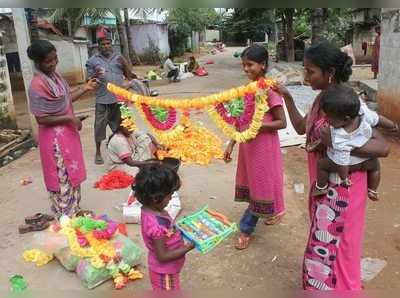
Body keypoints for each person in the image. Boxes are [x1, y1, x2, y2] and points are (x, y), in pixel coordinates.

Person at [272, 42, 391, 290]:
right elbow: (301, 128)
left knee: (341, 248)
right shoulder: (321, 100)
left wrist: (338, 143)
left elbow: (383, 147)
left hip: (346, 190)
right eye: (305, 70)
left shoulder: (350, 102)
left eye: (311, 71)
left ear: (330, 73)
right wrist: (288, 98)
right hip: (325, 188)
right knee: (324, 246)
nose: (306, 77)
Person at [223, 44, 287, 250]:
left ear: (263, 65)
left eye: (249, 65)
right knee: (256, 183)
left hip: (264, 149)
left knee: (262, 185)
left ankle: (246, 228)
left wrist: (259, 126)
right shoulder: (247, 90)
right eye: (243, 65)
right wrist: (231, 143)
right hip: (248, 148)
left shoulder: (270, 89)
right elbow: (240, 119)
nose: (246, 69)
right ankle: (275, 210)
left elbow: (281, 122)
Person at [27, 40, 98, 218]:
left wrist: (85, 88)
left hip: (68, 135)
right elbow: (41, 118)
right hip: (53, 140)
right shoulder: (37, 85)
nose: (53, 63)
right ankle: (66, 214)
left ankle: (75, 209)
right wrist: (69, 118)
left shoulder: (55, 78)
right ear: (38, 62)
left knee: (72, 172)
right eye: (48, 61)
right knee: (61, 176)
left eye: (55, 59)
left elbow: (65, 100)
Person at [312, 85, 382, 200]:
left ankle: (321, 187)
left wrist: (344, 178)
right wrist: (392, 126)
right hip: (367, 160)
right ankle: (373, 189)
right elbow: (378, 119)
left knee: (322, 165)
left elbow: (343, 161)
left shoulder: (339, 136)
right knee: (376, 167)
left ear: (345, 119)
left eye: (329, 116)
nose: (326, 118)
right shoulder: (364, 114)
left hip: (350, 164)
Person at [135, 164, 195, 290]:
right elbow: (163, 256)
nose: (170, 199)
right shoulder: (156, 227)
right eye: (170, 195)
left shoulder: (151, 209)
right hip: (164, 272)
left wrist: (177, 228)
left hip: (167, 269)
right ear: (156, 198)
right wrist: (189, 247)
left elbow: (166, 229)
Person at [86, 29, 137, 165]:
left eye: (108, 43)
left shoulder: (119, 58)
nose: (106, 46)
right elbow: (89, 81)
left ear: (112, 44)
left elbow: (129, 76)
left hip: (119, 100)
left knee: (122, 126)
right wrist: (96, 74)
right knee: (99, 128)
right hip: (102, 100)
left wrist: (125, 66)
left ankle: (123, 149)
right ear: (98, 46)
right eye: (103, 44)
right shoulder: (92, 61)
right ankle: (98, 152)